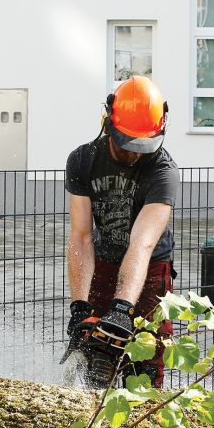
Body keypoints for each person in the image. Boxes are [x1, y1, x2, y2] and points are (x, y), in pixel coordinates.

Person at [64, 75, 179, 388]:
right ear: (108, 123)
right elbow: (81, 237)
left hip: (150, 267)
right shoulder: (82, 161)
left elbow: (141, 244)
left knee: (145, 360)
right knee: (94, 350)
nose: (134, 154)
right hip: (103, 261)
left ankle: (141, 425)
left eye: (141, 146)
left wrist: (123, 307)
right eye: (127, 145)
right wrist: (80, 306)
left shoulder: (162, 171)